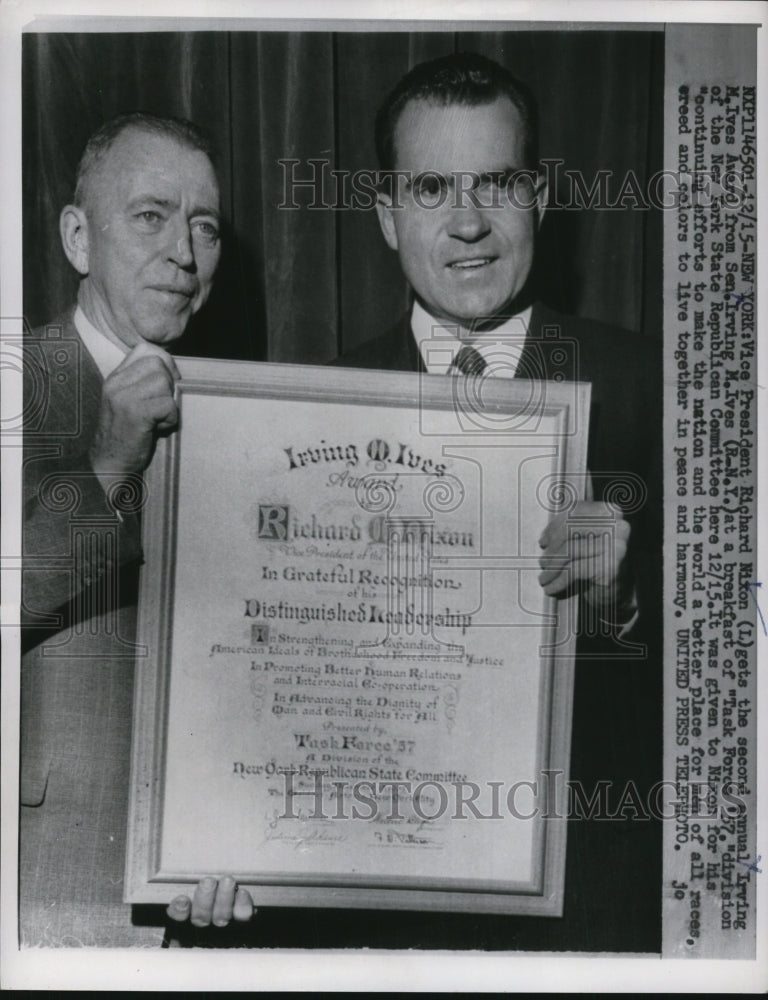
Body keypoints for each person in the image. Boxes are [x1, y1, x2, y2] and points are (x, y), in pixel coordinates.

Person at [332, 52, 662, 952]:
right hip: (370, 909)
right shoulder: (308, 399)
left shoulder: (658, 387)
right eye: (432, 187)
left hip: (592, 913)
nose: (470, 222)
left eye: (498, 184)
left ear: (541, 196)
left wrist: (621, 601)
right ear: (387, 216)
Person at [20, 113, 254, 946]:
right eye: (151, 216)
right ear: (78, 238)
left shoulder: (245, 413)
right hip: (45, 877)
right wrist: (110, 465)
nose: (185, 255)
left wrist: (245, 826)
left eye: (205, 228)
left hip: (210, 881)